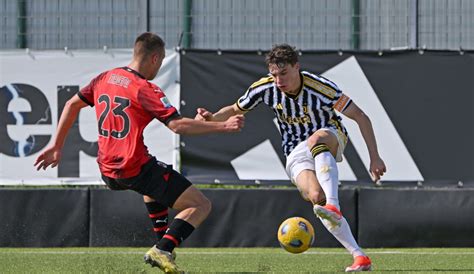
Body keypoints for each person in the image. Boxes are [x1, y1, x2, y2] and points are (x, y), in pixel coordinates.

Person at [34, 32, 244, 274]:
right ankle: (163, 248)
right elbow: (177, 126)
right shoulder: (144, 89)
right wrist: (222, 125)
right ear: (154, 58)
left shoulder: (105, 77)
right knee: (201, 205)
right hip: (133, 167)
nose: (160, 64)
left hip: (107, 170)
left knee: (154, 179)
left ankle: (163, 243)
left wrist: (56, 145)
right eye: (162, 59)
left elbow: (71, 104)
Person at [195, 44, 386, 272]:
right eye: (274, 75)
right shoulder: (265, 88)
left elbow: (360, 117)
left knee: (317, 140)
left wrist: (374, 158)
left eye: (283, 73)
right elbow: (236, 109)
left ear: (297, 67)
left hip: (329, 135)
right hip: (294, 150)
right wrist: (212, 118)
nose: (278, 81)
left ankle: (334, 205)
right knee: (317, 197)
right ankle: (359, 256)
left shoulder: (320, 87)